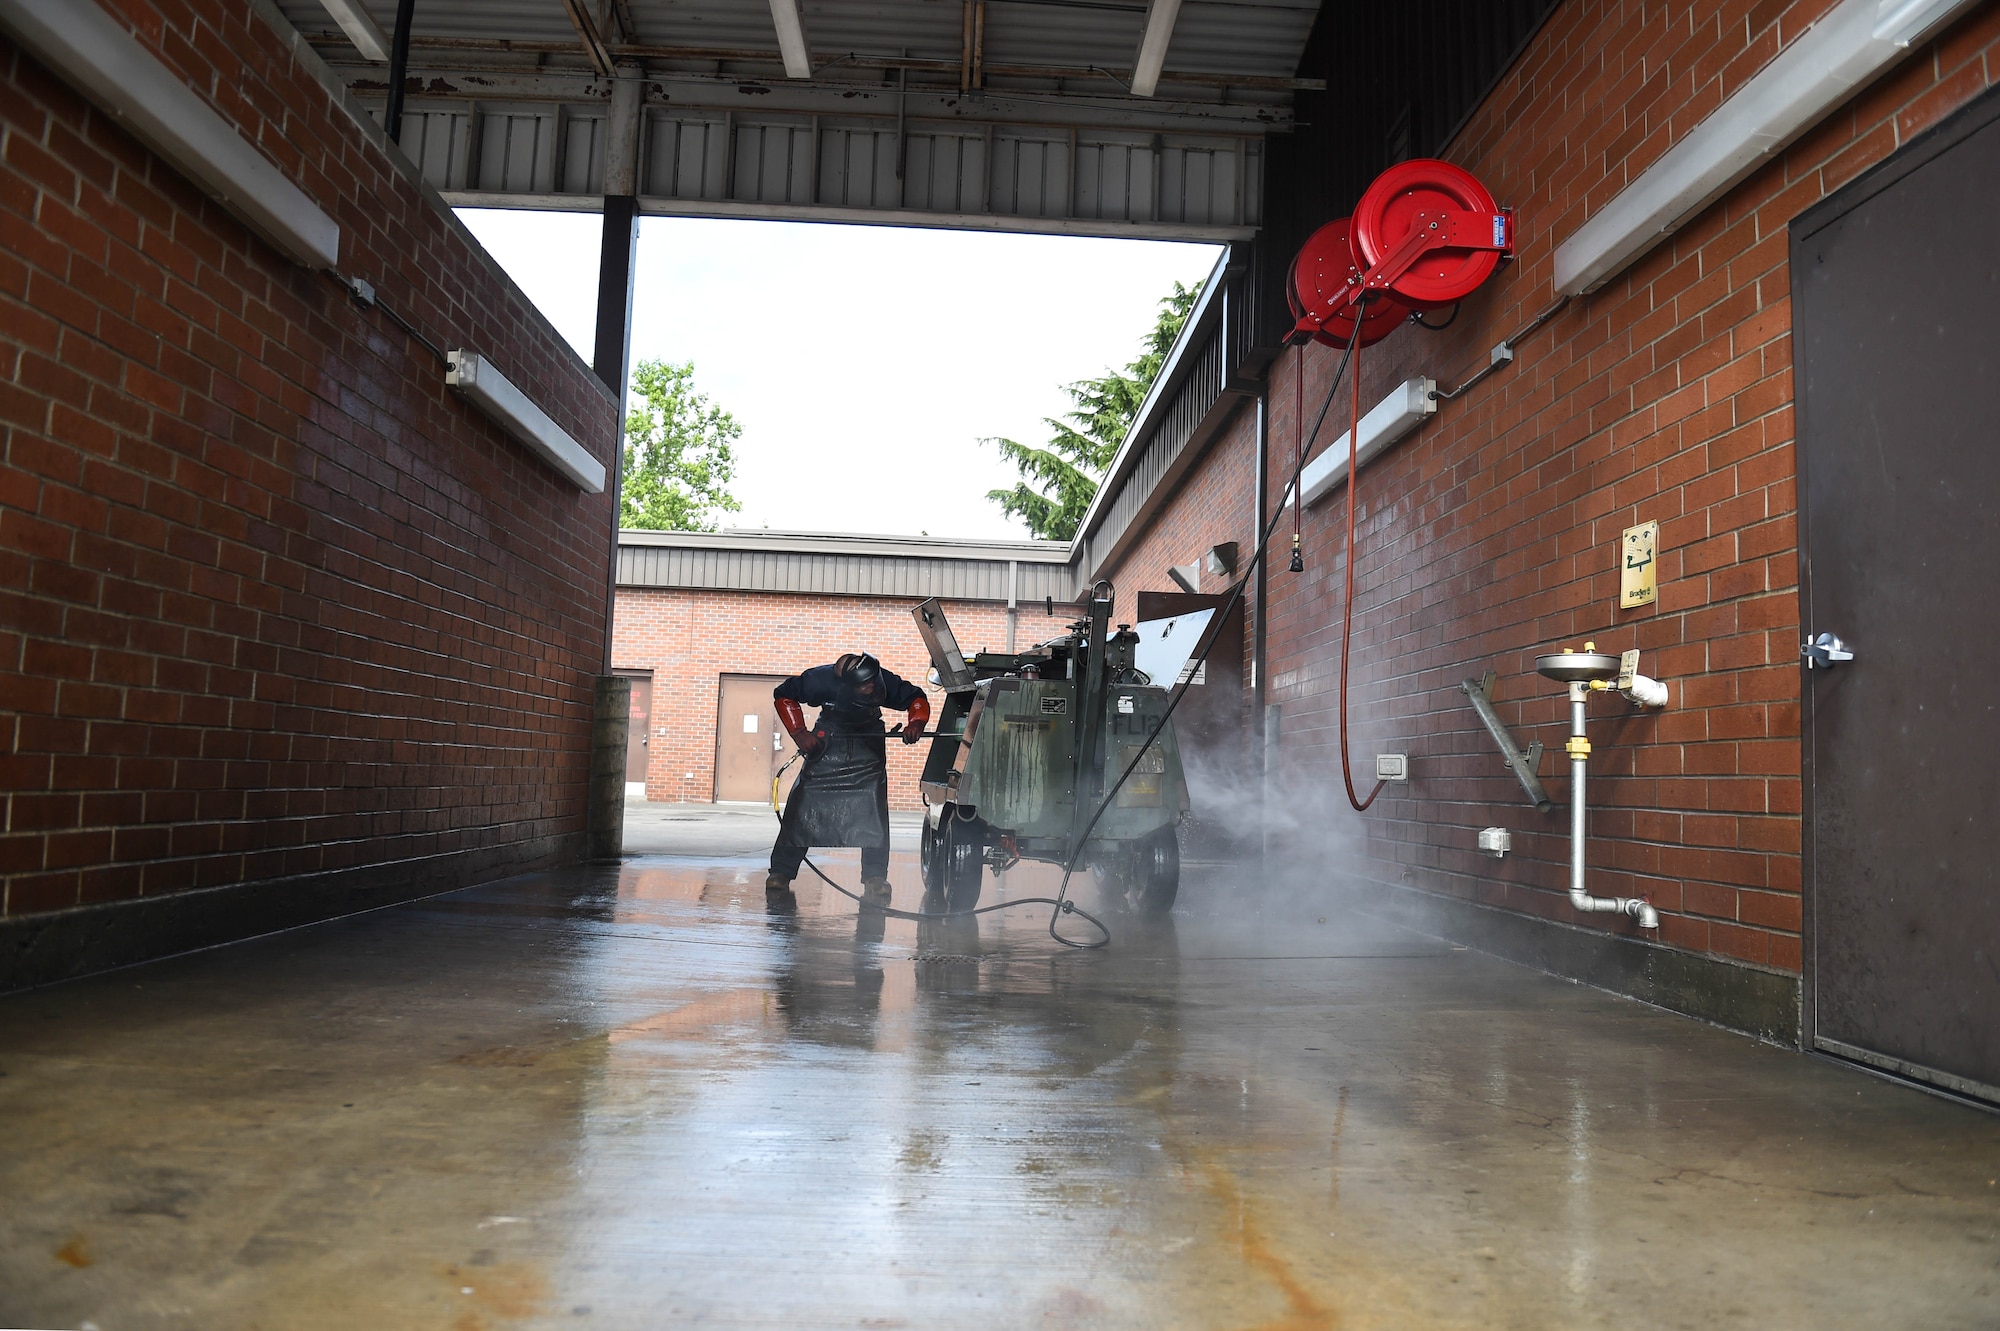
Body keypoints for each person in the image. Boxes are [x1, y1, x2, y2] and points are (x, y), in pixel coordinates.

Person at [767, 652, 930, 902]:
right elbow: (783, 694)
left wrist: (916, 723)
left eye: (873, 681)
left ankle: (875, 877)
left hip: (869, 739)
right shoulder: (818, 680)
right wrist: (799, 733)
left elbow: (916, 698)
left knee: (873, 808)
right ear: (847, 684)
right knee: (803, 804)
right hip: (830, 737)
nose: (872, 687)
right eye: (865, 685)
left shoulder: (880, 678)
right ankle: (781, 872)